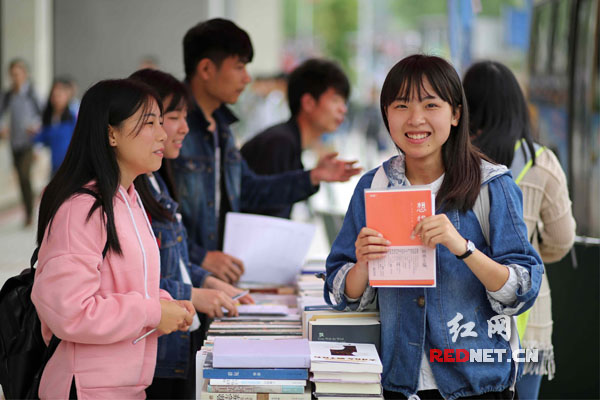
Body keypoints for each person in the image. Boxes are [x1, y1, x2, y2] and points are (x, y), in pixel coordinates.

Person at [324, 55, 544, 399]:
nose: (416, 119)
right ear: (386, 114)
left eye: (431, 104)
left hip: (478, 384)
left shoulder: (491, 185)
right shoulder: (374, 186)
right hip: (399, 384)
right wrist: (363, 265)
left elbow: (523, 288)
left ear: (455, 114)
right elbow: (340, 296)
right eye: (401, 105)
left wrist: (464, 248)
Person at [31, 78, 195, 398]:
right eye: (149, 123)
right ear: (111, 133)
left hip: (125, 387)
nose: (162, 134)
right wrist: (153, 313)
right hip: (87, 389)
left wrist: (164, 303)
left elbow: (122, 286)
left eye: (161, 122)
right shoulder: (82, 208)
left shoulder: (129, 199)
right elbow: (71, 312)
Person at [174, 18, 360, 283]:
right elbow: (154, 214)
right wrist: (200, 256)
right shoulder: (172, 127)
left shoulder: (222, 129)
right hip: (184, 277)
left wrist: (312, 177)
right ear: (205, 69)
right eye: (239, 67)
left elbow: (249, 189)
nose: (247, 78)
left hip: (216, 275)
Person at [129, 68, 254, 398]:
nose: (182, 128)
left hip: (175, 342)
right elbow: (131, 282)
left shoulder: (156, 182)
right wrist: (197, 294)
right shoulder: (117, 197)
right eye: (170, 118)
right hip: (153, 351)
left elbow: (176, 264)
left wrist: (209, 282)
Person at [463, 60, 576, 400]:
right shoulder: (541, 162)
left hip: (465, 318)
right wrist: (532, 249)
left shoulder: (458, 161)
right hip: (529, 320)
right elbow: (563, 239)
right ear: (517, 104)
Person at [241, 58, 351, 218]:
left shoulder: (288, 140)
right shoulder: (279, 143)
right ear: (308, 103)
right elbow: (264, 211)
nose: (343, 109)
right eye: (335, 100)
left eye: (344, 102)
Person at [0, 59, 42, 226]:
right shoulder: (8, 96)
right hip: (14, 142)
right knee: (21, 177)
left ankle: (30, 213)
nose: (15, 77)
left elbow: (42, 115)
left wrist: (36, 127)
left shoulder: (32, 94)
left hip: (29, 143)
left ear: (25, 74)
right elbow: (1, 115)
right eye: (12, 74)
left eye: (18, 74)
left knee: (25, 176)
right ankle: (28, 209)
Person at [34, 77, 77, 175]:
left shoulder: (72, 118)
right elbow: (44, 137)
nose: (56, 99)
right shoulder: (49, 118)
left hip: (70, 166)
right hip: (54, 165)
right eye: (54, 96)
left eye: (59, 96)